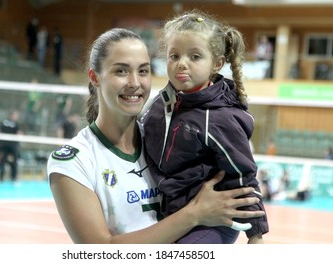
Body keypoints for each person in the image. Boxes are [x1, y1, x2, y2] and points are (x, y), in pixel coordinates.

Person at [47, 28, 265, 244]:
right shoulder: (74, 161)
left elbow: (236, 181)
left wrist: (252, 232)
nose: (135, 83)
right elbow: (99, 251)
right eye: (121, 71)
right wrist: (194, 214)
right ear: (95, 77)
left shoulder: (170, 138)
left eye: (143, 71)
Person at [141, 10, 268, 244]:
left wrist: (256, 235)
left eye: (195, 57)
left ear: (216, 64)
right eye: (174, 55)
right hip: (173, 212)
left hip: (211, 222)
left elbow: (243, 174)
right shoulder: (160, 103)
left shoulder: (220, 117)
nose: (182, 64)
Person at [0, 110, 22, 181]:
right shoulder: (6, 122)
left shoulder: (15, 123)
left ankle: (13, 178)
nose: (16, 117)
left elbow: (19, 133)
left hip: (12, 145)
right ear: (11, 115)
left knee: (14, 161)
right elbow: (18, 133)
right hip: (6, 145)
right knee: (3, 161)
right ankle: (2, 178)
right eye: (15, 116)